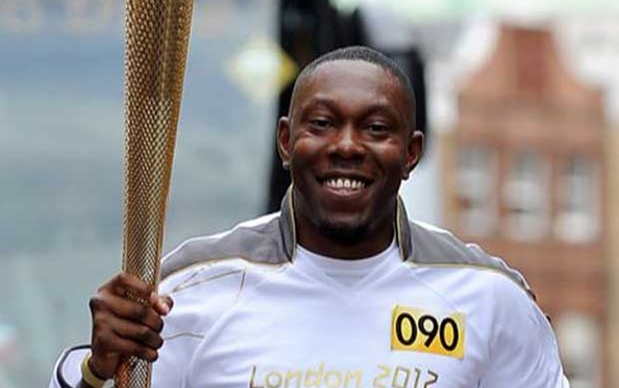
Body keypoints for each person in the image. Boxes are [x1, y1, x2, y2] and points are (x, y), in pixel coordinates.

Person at [49, 46, 569, 388]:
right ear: (285, 142)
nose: (347, 146)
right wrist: (97, 369)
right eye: (321, 123)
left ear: (411, 153)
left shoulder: (489, 298)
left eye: (376, 128)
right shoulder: (187, 291)